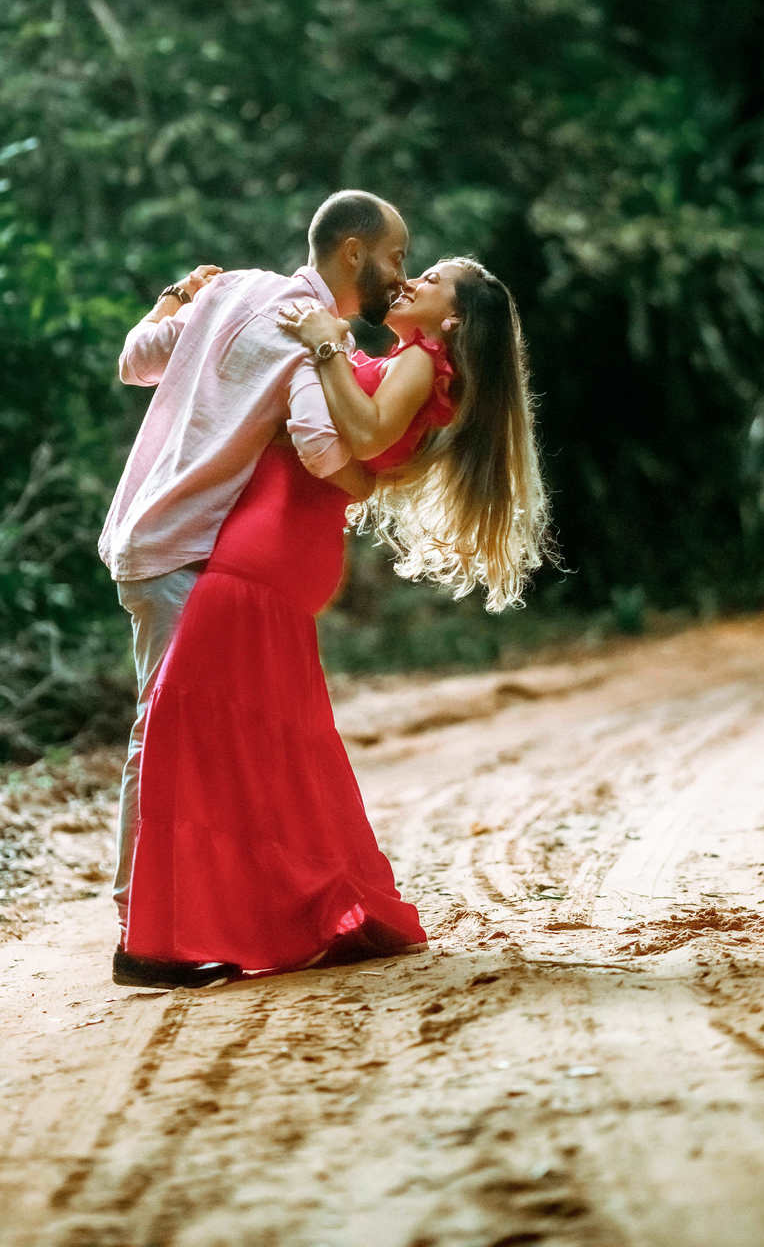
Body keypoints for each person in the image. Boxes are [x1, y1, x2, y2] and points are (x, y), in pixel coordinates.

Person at [117, 254, 548, 988]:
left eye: (432, 278)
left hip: (270, 543)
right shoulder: (412, 359)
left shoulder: (422, 358)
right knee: (258, 732)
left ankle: (166, 935)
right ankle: (260, 909)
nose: (411, 281)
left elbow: (369, 434)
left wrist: (325, 341)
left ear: (451, 320)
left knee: (192, 726)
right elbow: (362, 451)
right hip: (281, 541)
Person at [99, 190, 410, 979]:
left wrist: (176, 296)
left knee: (172, 730)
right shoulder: (311, 335)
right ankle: (142, 932)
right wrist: (371, 486)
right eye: (395, 258)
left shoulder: (235, 288)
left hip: (147, 530)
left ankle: (172, 915)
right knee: (161, 734)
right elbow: (316, 445)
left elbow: (136, 358)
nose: (398, 276)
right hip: (183, 545)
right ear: (351, 253)